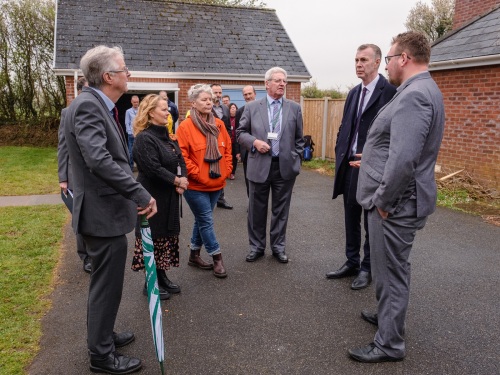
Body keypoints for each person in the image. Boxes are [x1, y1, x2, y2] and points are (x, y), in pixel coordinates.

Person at [349, 32, 445, 363]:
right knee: (390, 268)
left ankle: (389, 344)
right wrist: (372, 159)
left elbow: (405, 160)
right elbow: (401, 148)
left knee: (391, 271)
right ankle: (387, 317)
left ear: (403, 58)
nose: (387, 65)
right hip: (399, 196)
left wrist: (385, 203)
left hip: (396, 204)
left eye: (388, 58)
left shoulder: (414, 95)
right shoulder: (421, 89)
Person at [63, 45, 157, 374]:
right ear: (108, 76)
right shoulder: (89, 106)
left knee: (106, 284)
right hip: (101, 215)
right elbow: (98, 160)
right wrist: (140, 193)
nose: (128, 73)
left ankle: (103, 336)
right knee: (105, 287)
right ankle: (101, 357)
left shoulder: (97, 104)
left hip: (106, 212)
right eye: (124, 68)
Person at [326, 44, 397, 290]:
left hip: (371, 167)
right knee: (350, 216)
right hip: (349, 164)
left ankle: (367, 268)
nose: (358, 64)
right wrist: (339, 149)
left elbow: (392, 134)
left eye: (364, 59)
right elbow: (346, 125)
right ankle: (351, 261)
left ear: (377, 62)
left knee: (370, 220)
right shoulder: (354, 93)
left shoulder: (389, 92)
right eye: (356, 59)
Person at [237, 67, 304, 264]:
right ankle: (256, 247)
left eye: (285, 81)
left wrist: (295, 157)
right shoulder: (251, 107)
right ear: (267, 84)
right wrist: (255, 143)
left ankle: (278, 247)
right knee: (257, 209)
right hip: (258, 165)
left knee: (281, 210)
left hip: (284, 167)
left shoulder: (294, 108)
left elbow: (300, 139)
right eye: (278, 80)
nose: (282, 84)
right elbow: (240, 133)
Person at [130, 94, 188, 300]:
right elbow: (152, 168)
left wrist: (183, 179)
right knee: (152, 239)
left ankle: (162, 276)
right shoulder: (144, 138)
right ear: (150, 112)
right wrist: (176, 181)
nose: (168, 112)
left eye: (168, 109)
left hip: (169, 197)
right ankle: (150, 283)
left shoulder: (167, 135)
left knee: (165, 238)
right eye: (164, 109)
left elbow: (180, 160)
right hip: (151, 197)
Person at [176, 84, 233, 278]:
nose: (209, 102)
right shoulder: (185, 127)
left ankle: (193, 254)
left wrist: (227, 170)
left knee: (202, 219)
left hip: (217, 183)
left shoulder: (219, 124)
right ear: (193, 102)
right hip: (196, 185)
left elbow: (227, 150)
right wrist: (199, 175)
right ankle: (217, 257)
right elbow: (182, 157)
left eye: (210, 99)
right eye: (204, 99)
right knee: (206, 221)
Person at [57, 76, 92, 274]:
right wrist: (63, 178)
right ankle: (85, 256)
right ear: (80, 90)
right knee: (80, 216)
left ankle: (95, 252)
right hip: (73, 176)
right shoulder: (68, 112)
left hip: (93, 175)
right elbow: (63, 146)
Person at [210, 83, 233, 209]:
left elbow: (228, 128)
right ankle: (210, 199)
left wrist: (228, 142)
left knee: (222, 170)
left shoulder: (225, 108)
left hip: (223, 145)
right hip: (210, 145)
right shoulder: (206, 107)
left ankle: (220, 199)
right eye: (215, 92)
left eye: (220, 92)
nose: (218, 95)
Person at [235, 85, 257, 197]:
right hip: (247, 151)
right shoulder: (240, 111)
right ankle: (252, 203)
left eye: (250, 94)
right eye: (245, 94)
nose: (248, 96)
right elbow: (238, 132)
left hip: (262, 150)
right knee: (248, 179)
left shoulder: (264, 108)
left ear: (255, 94)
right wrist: (238, 151)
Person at [125, 95, 139, 169]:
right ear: (131, 102)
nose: (136, 103)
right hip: (131, 134)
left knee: (140, 151)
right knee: (131, 152)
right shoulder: (128, 111)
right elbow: (127, 123)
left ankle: (140, 166)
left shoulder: (141, 110)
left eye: (137, 102)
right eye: (134, 102)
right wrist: (130, 132)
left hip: (140, 134)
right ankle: (131, 167)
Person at [228, 102, 240, 180]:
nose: (233, 109)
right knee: (228, 157)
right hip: (228, 141)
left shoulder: (238, 118)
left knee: (234, 158)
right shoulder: (227, 118)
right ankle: (227, 172)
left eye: (234, 108)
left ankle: (232, 173)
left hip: (236, 141)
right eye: (231, 108)